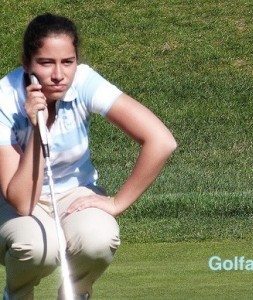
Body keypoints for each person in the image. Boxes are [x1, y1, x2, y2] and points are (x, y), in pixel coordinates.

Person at [0, 13, 177, 299]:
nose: (59, 75)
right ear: (27, 64)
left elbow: (161, 141)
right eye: (46, 63)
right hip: (15, 200)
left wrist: (117, 202)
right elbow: (21, 202)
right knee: (37, 249)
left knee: (98, 240)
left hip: (74, 193)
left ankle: (75, 294)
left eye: (67, 62)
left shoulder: (83, 81)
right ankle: (16, 294)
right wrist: (36, 128)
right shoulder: (4, 99)